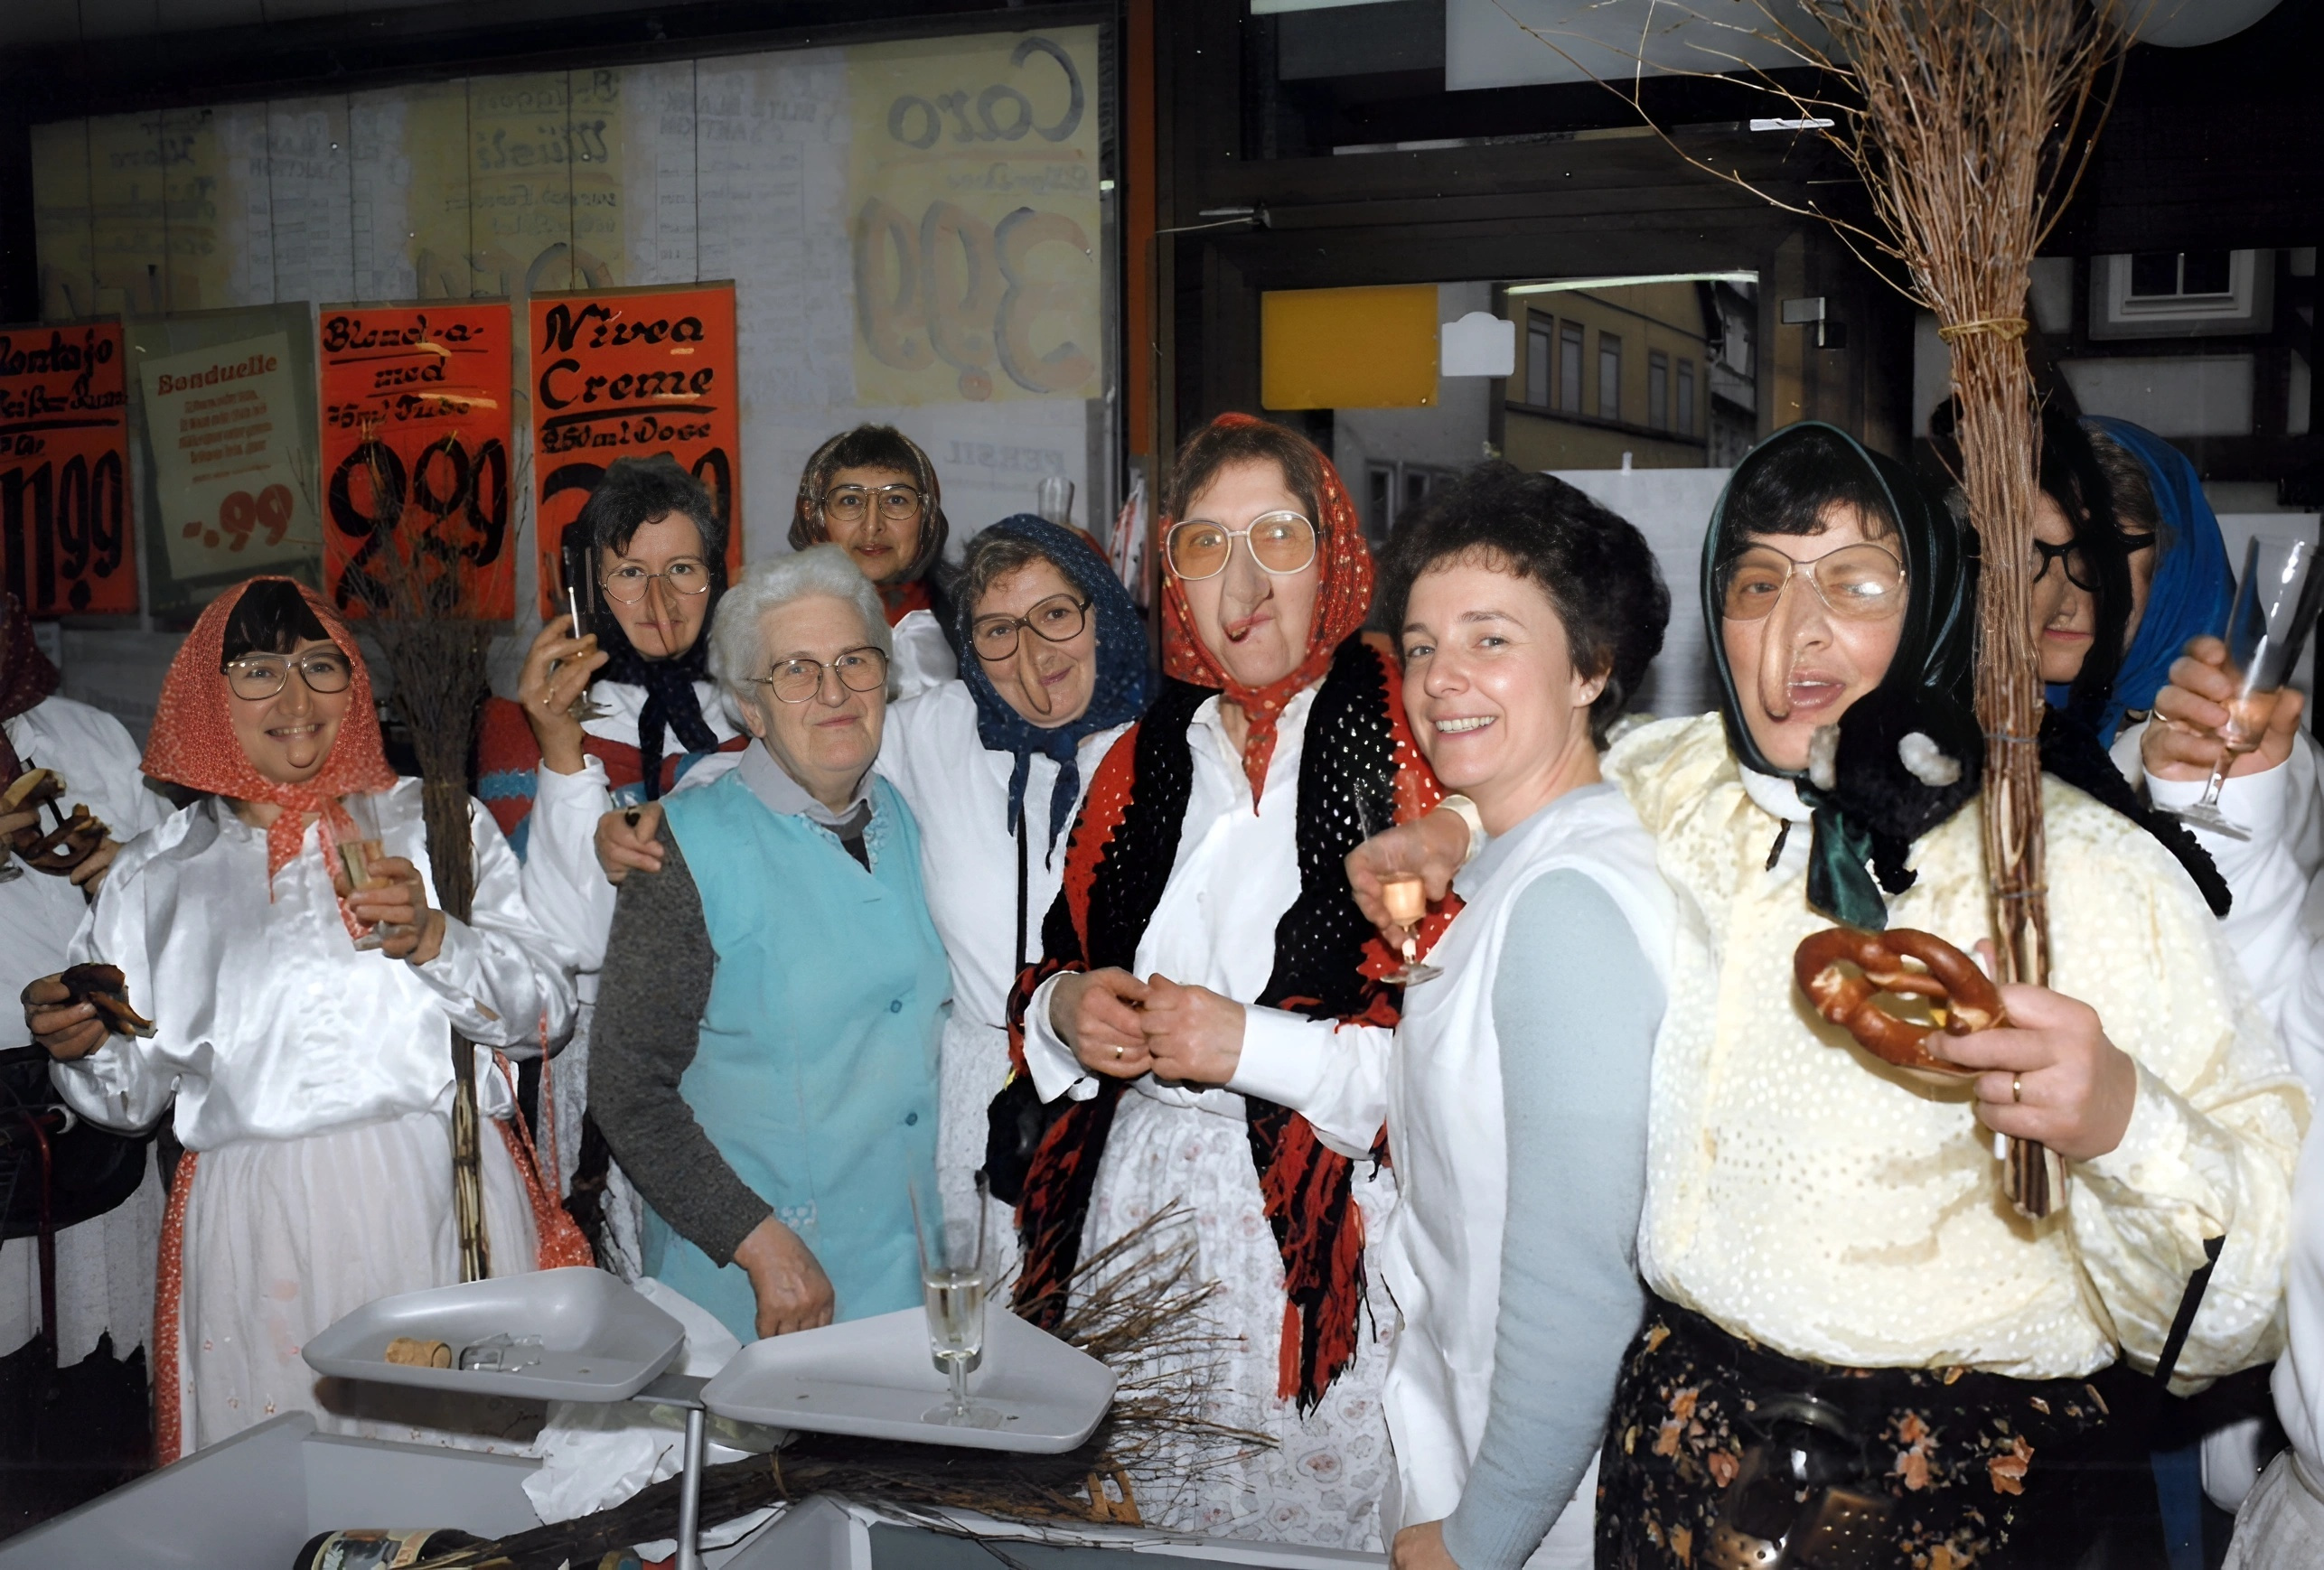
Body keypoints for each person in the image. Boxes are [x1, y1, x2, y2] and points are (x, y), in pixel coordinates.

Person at [1350, 422, 2305, 1566]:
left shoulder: (2083, 875)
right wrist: (1445, 825)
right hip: (1675, 1467)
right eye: (1758, 583)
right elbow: (1547, 769)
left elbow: (2237, 1310)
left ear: (1939, 603)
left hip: (1954, 1492)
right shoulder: (1690, 786)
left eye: (1855, 583)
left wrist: (2117, 1120)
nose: (1797, 632)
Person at [1136, 462, 1675, 1570]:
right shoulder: (1516, 862)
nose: (1440, 679)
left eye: (1490, 639)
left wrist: (1479, 1538)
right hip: (1472, 1436)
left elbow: (1580, 1282)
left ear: (1591, 666)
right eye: (1421, 646)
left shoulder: (1567, 908)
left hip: (1540, 1501)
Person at [23, 577, 576, 1459]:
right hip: (258, 1225)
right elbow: (126, 1102)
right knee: (289, 1477)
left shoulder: (435, 825)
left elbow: (546, 1011)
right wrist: (81, 1049)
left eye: (320, 664)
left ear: (354, 679)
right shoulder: (155, 876)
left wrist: (436, 938)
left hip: (433, 1196)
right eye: (256, 670)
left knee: (460, 1483)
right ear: (207, 689)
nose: (296, 696)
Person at [1002, 413, 1429, 1548]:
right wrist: (1065, 1008)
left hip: (1318, 1235)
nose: (1240, 581)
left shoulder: (1410, 745)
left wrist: (1249, 1047)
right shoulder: (1143, 752)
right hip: (1135, 1207)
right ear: (1169, 577)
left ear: (1332, 549)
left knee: (1303, 1532)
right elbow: (1050, 954)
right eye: (1203, 545)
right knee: (1143, 1528)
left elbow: (1445, 1058)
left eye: (1276, 537)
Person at [588, 547, 951, 1344]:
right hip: (756, 1290)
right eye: (794, 670)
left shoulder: (918, 815)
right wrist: (758, 1243)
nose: (833, 692)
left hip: (913, 1282)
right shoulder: (683, 848)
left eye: (855, 661)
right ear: (750, 708)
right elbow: (627, 1092)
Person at [475, 455, 748, 1256]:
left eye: (683, 570)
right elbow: (575, 942)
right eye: (629, 573)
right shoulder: (524, 721)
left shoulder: (757, 708)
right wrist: (563, 753)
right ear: (589, 589)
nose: (660, 603)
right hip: (586, 1058)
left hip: (722, 1049)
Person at [882, 517, 1148, 1240]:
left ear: (1101, 610)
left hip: (1135, 1110)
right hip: (989, 1108)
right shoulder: (933, 733)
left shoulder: (1175, 747)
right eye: (998, 630)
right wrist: (663, 821)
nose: (1033, 655)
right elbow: (805, 756)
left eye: (1056, 615)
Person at [0, 593, 169, 1375]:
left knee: (101, 1358)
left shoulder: (82, 735)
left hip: (101, 1098)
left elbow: (188, 875)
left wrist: (130, 869)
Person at [789, 424, 958, 700]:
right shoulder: (774, 622)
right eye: (850, 500)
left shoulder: (972, 619)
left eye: (895, 500)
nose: (872, 526)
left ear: (926, 517)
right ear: (814, 516)